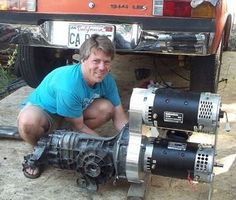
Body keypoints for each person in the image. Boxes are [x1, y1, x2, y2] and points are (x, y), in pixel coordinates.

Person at [18, 35, 128, 178]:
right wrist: (107, 149)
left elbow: (119, 116)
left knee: (107, 108)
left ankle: (65, 141)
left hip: (72, 115)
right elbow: (79, 126)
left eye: (106, 62)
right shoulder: (69, 86)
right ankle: (40, 152)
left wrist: (132, 140)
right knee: (28, 122)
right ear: (83, 60)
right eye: (96, 61)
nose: (102, 67)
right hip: (46, 114)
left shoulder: (107, 80)